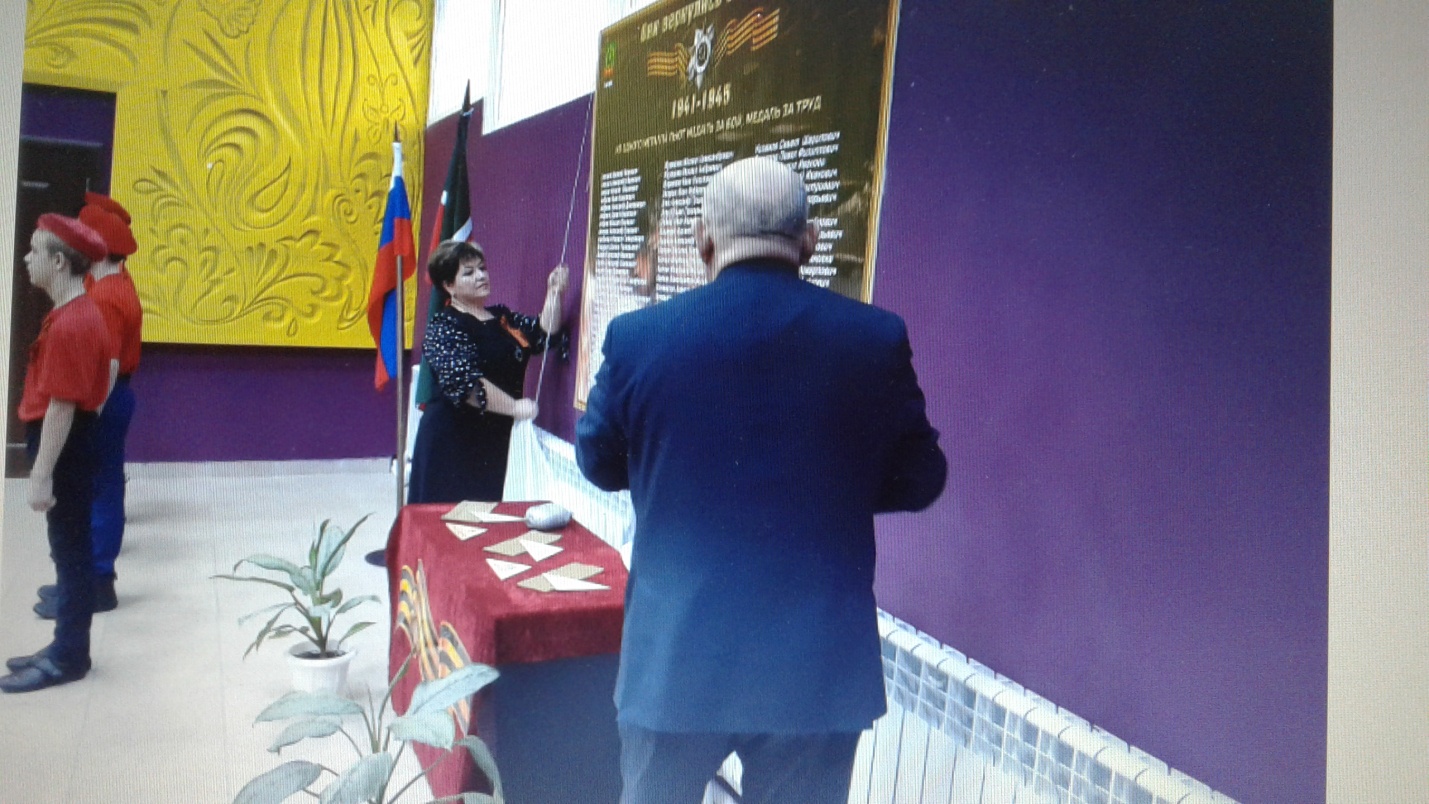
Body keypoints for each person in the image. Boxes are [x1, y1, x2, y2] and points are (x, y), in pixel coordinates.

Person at [575, 156, 947, 804]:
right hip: (815, 665)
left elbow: (598, 463)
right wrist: (833, 486)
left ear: (703, 238)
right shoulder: (874, 337)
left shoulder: (639, 337)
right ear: (809, 241)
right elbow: (921, 479)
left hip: (676, 657)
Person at [1, 214, 116, 693]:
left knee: (69, 554)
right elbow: (108, 372)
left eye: (35, 251)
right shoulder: (78, 312)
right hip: (77, 440)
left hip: (64, 445)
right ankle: (65, 645)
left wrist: (40, 473)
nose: (27, 258)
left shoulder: (72, 323)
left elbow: (61, 409)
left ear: (59, 262)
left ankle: (69, 657)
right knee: (70, 550)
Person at [31, 194, 142, 619]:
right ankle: (84, 581)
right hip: (114, 397)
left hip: (106, 400)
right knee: (102, 487)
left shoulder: (108, 295)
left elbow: (108, 365)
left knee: (99, 491)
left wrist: (89, 412)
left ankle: (96, 583)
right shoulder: (113, 283)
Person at [407, 240, 569, 504]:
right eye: (469, 273)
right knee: (447, 517)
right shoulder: (443, 326)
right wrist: (514, 407)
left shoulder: (501, 318)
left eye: (482, 268)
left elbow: (544, 334)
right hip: (451, 442)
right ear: (449, 285)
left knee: (483, 515)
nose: (481, 276)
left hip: (491, 439)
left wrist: (554, 292)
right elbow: (466, 385)